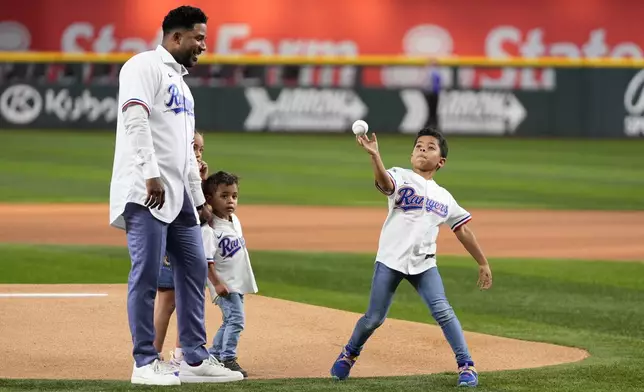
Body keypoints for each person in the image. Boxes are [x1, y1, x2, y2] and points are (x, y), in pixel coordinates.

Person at [109, 5, 243, 385]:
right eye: (198, 37)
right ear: (176, 36)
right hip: (146, 190)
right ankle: (144, 361)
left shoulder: (183, 86)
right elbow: (135, 119)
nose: (203, 45)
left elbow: (185, 149)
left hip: (180, 196)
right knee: (147, 276)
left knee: (192, 271)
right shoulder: (143, 66)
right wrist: (150, 174)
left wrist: (198, 198)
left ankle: (195, 359)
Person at [330, 127, 493, 388]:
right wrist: (374, 156)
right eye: (419, 146)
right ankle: (350, 352)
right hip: (390, 260)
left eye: (430, 147)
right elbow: (385, 183)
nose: (423, 150)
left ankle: (467, 365)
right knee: (374, 318)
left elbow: (462, 229)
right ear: (411, 154)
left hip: (424, 265)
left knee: (444, 312)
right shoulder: (400, 176)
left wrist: (482, 262)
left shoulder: (445, 197)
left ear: (441, 161)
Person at [153, 131, 209, 365]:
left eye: (200, 149)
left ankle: (181, 353)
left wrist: (202, 180)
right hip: (174, 242)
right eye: (193, 147)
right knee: (168, 300)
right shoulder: (173, 171)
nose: (197, 153)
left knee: (187, 297)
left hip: (190, 242)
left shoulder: (195, 174)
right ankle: (153, 353)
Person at [200, 171, 258, 378]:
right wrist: (216, 284)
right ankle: (228, 358)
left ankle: (213, 355)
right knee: (236, 320)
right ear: (209, 199)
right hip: (224, 284)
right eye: (223, 196)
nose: (230, 200)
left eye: (233, 196)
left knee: (229, 320)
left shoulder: (234, 221)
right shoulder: (210, 229)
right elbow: (206, 261)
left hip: (236, 282)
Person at [423, 59, 442, 128]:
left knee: (432, 111)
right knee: (432, 111)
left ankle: (431, 125)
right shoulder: (434, 71)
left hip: (431, 93)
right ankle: (432, 125)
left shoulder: (429, 71)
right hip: (432, 93)